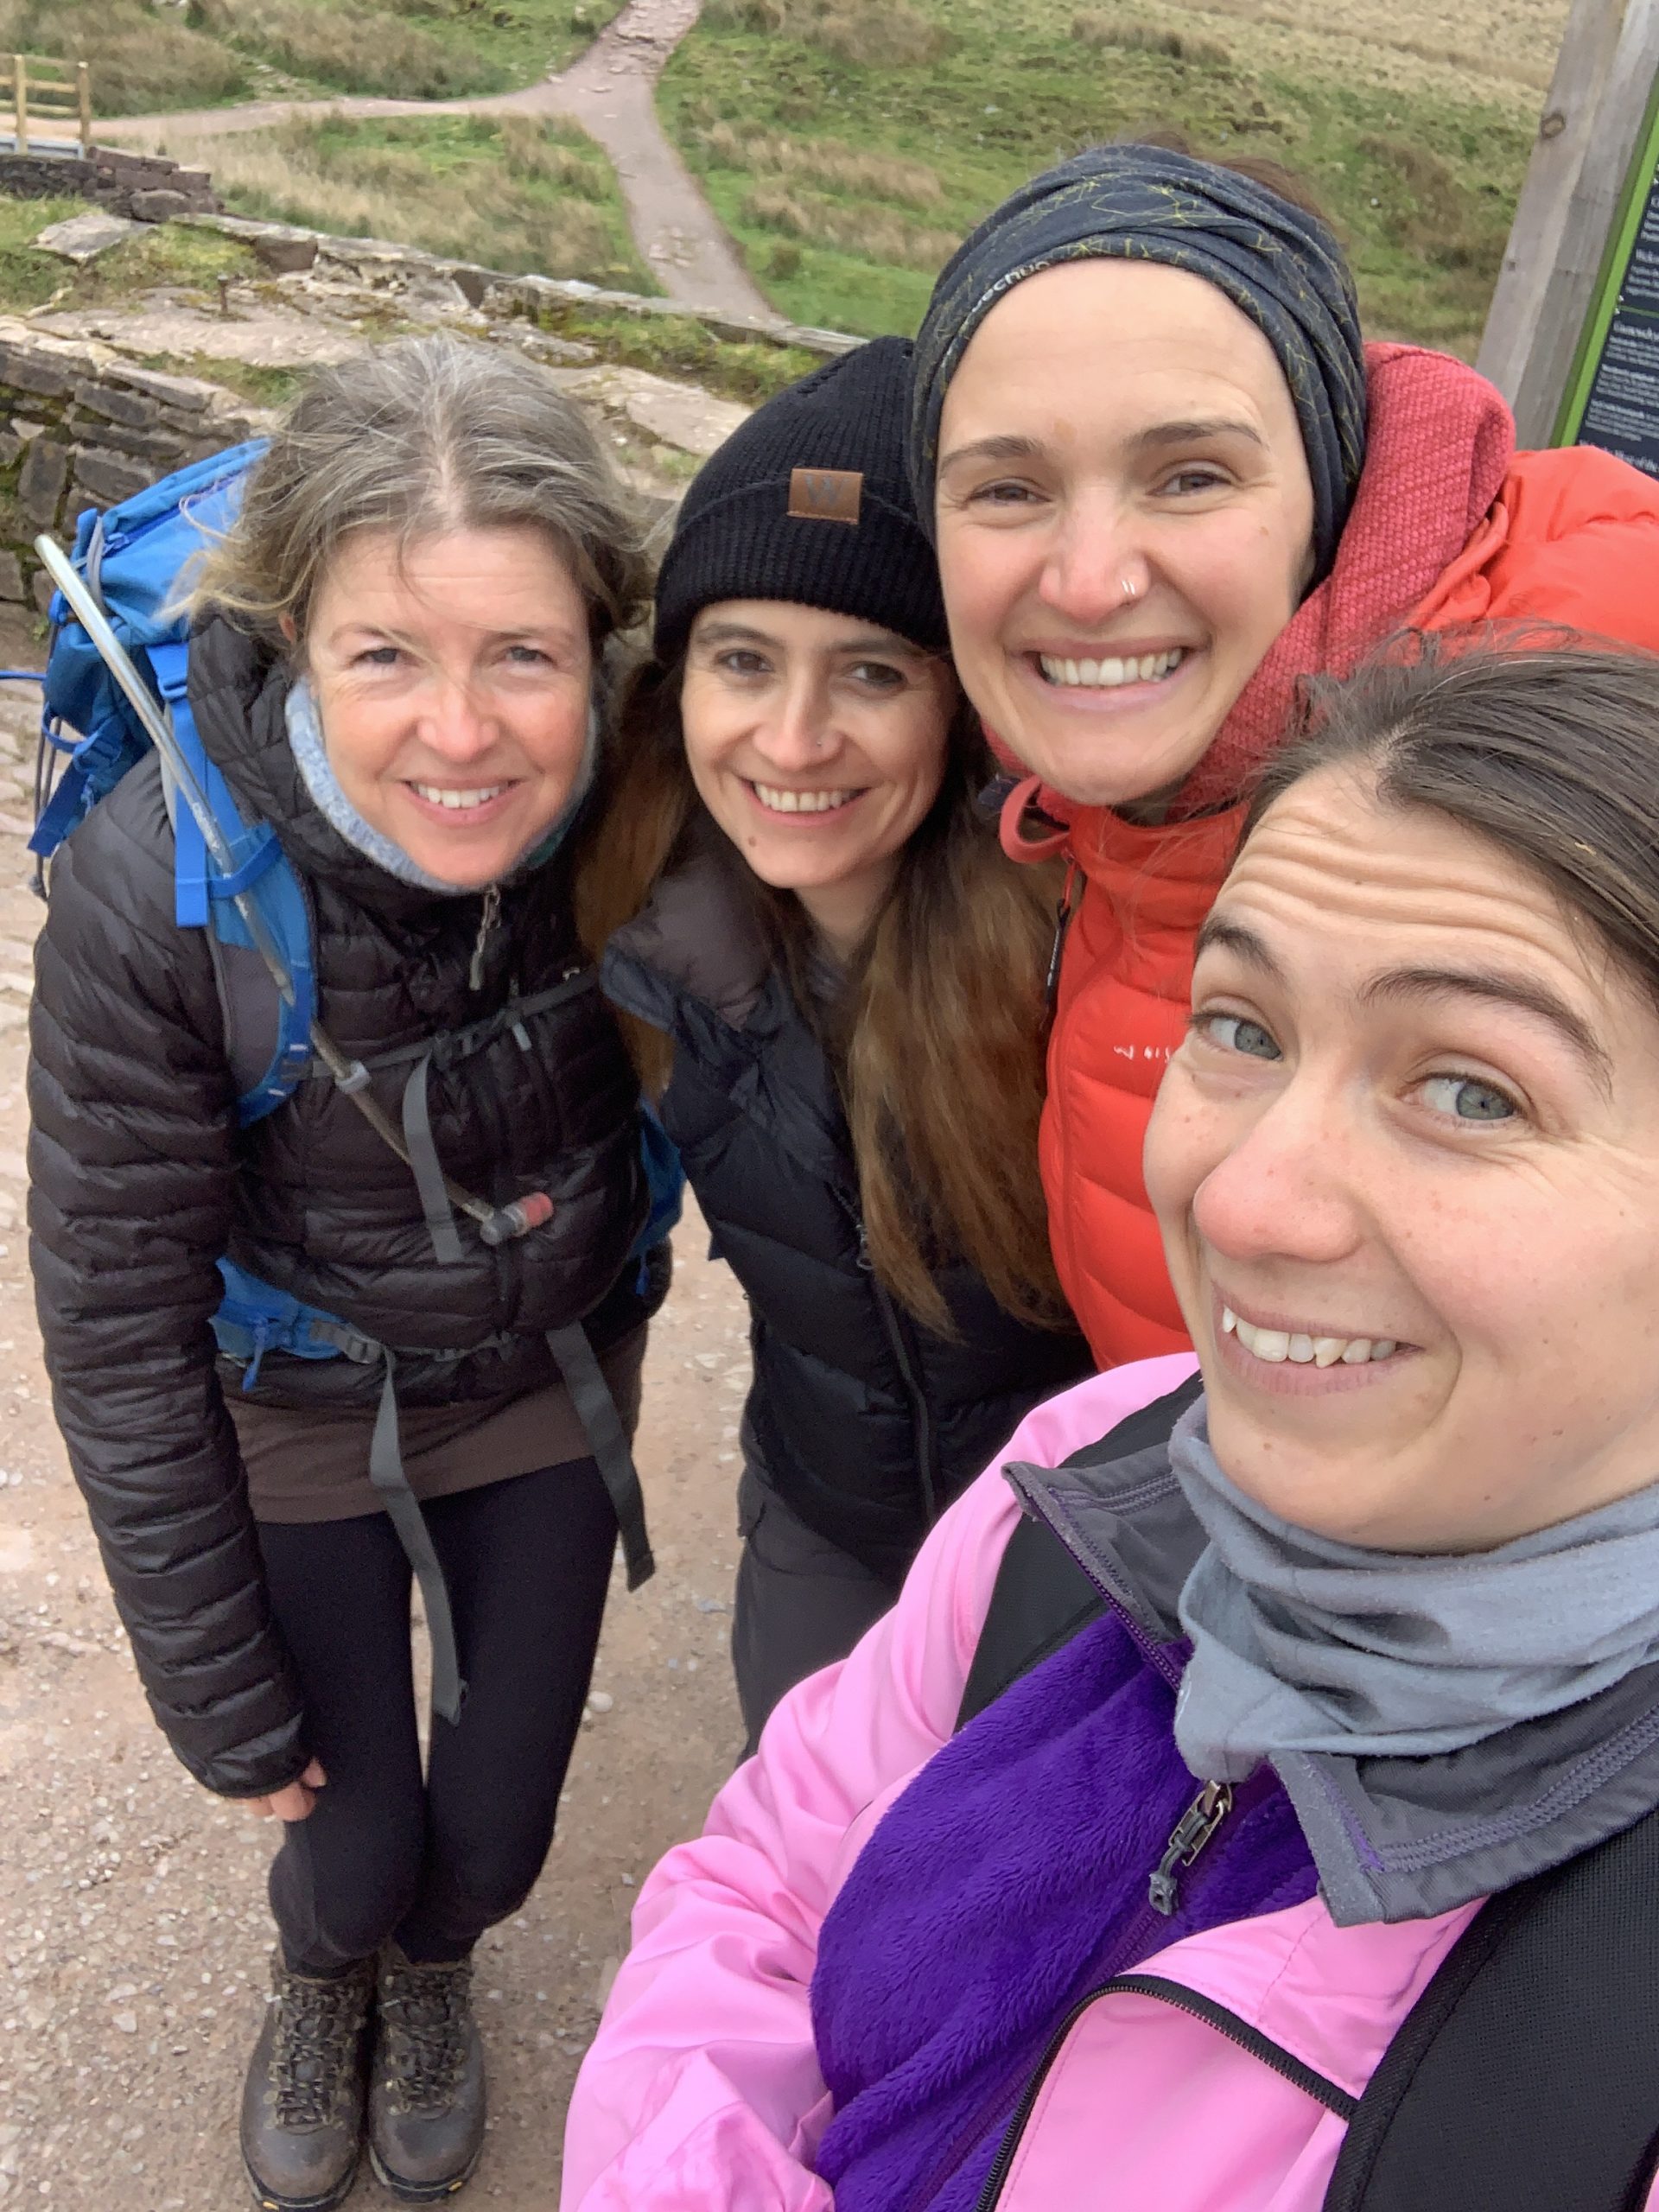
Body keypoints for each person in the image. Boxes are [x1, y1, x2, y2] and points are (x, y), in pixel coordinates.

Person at [560, 639, 1659, 2210]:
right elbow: (768, 1884)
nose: (1244, 1194)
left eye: (1472, 1091)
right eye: (1246, 1029)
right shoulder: (1111, 1462)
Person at [29, 335, 664, 2211]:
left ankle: (437, 1969)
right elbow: (117, 1313)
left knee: (489, 1834)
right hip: (291, 1400)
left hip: (544, 1376)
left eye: (522, 656)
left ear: (604, 655)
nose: (460, 735)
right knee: (343, 1832)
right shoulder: (166, 888)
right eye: (388, 654)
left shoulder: (655, 802)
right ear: (297, 633)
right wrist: (209, 1684)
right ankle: (325, 1974)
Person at [905, 137, 1659, 1370]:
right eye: (1006, 490)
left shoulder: (1600, 750)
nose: (1089, 582)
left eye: (1191, 475)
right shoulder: (1125, 814)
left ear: (1333, 488)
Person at [588, 336, 1092, 1741]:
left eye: (870, 672)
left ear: (967, 702)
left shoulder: (1085, 963)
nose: (794, 739)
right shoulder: (644, 920)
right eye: (742, 661)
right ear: (674, 683)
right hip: (824, 1517)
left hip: (1067, 1565)